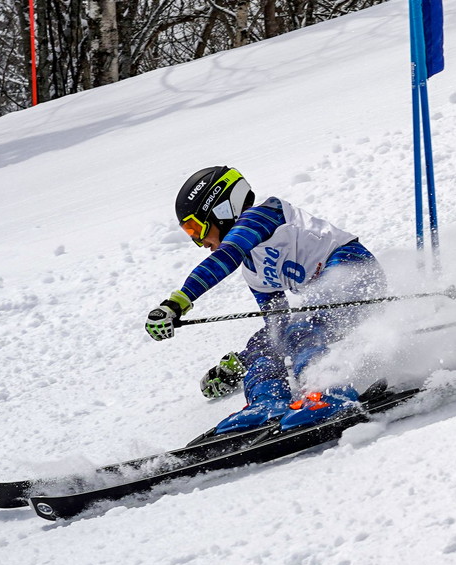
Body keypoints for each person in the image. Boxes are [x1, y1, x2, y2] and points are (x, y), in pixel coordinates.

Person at [144, 166, 386, 433]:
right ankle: (266, 404)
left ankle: (329, 392)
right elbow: (277, 324)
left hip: (354, 274)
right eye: (190, 234)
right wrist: (246, 359)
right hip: (324, 303)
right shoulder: (253, 270)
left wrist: (177, 303)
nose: (199, 241)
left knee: (302, 326)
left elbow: (225, 257)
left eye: (196, 228)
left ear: (222, 210)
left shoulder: (262, 215)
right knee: (270, 340)